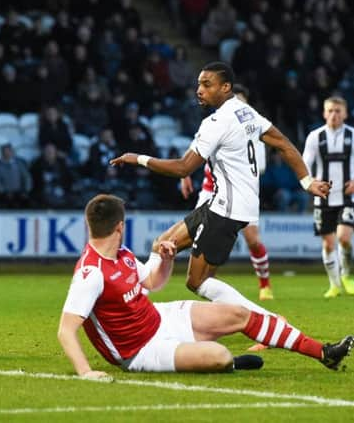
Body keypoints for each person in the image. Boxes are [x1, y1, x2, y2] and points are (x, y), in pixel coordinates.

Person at [109, 62, 330, 318]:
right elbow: (284, 144)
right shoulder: (246, 113)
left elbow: (183, 168)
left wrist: (138, 158)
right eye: (199, 84)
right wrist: (307, 182)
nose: (199, 90)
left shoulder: (217, 122)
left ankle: (269, 321)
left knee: (197, 282)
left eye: (206, 84)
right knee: (162, 244)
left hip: (227, 209)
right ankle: (135, 311)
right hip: (222, 202)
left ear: (225, 87)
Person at [58, 194, 352, 377]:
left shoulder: (121, 255)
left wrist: (167, 261)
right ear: (119, 226)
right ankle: (230, 362)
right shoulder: (91, 273)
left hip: (160, 317)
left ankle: (323, 352)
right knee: (220, 357)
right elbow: (65, 330)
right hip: (140, 351)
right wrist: (85, 372)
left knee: (237, 313)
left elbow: (151, 283)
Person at [180, 84, 274, 301]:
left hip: (240, 194)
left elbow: (259, 168)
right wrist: (184, 175)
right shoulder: (214, 124)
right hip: (208, 192)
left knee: (253, 240)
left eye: (241, 103)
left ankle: (265, 285)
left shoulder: (253, 134)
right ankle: (207, 287)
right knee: (199, 243)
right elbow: (194, 149)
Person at [303, 96, 354, 298]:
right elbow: (304, 162)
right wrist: (311, 182)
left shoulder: (352, 135)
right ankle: (334, 285)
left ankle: (347, 276)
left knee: (343, 238)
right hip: (322, 198)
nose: (334, 114)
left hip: (347, 196)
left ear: (346, 113)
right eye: (330, 111)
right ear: (324, 113)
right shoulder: (315, 137)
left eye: (338, 111)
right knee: (328, 244)